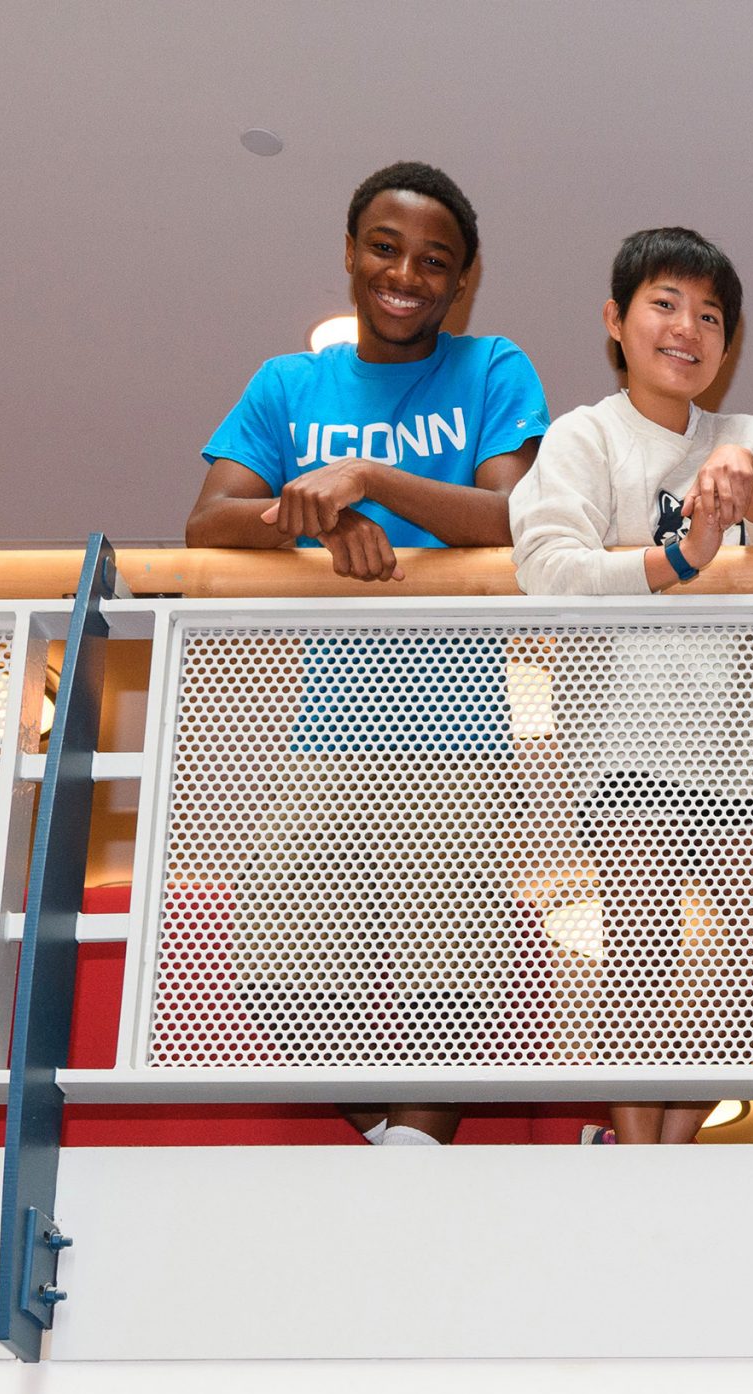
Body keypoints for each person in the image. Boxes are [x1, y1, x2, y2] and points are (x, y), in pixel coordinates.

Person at [185, 161, 547, 1146]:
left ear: (462, 281)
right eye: (384, 248)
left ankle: (410, 1157)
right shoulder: (289, 381)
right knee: (281, 972)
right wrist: (309, 520)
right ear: (349, 254)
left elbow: (516, 516)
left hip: (459, 734)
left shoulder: (490, 369)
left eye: (435, 262)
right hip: (326, 732)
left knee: (454, 984)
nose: (406, 274)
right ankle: (394, 1148)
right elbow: (207, 522)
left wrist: (370, 477)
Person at [511, 227, 753, 1144]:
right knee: (641, 963)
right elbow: (547, 566)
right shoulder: (584, 435)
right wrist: (670, 560)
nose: (688, 327)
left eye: (712, 315)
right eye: (665, 304)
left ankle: (673, 1144)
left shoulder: (747, 434)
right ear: (615, 320)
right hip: (630, 743)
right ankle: (637, 1155)